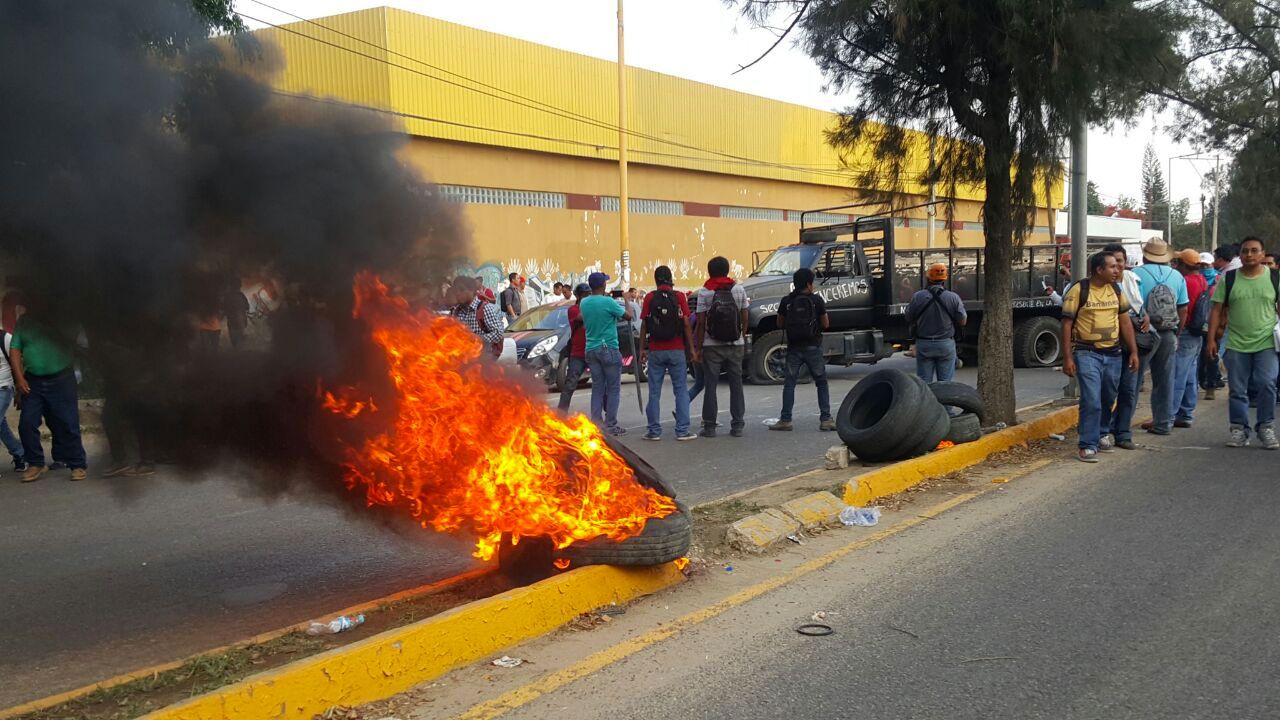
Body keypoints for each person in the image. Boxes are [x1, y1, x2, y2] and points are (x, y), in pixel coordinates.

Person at [1061, 252, 1139, 463]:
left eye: (1117, 266)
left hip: (1113, 354)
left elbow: (1124, 322)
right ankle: (1087, 445)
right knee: (1092, 399)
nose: (1117, 270)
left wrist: (1133, 351)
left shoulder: (1115, 290)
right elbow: (1066, 324)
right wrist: (1067, 358)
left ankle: (1102, 433)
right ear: (1099, 270)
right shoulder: (1079, 290)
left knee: (1107, 398)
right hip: (1087, 353)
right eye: (1112, 267)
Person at [1206, 236, 1279, 449]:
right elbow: (1217, 310)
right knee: (1237, 389)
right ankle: (1238, 429)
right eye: (1245, 251)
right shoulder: (1229, 279)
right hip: (1236, 343)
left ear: (1263, 254)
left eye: (1254, 251)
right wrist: (1211, 339)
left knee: (1267, 383)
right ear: (1240, 255)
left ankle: (1265, 427)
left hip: (1266, 342)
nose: (1249, 255)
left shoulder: (1275, 278)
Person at [10, 306, 87, 481]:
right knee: (27, 424)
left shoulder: (64, 318)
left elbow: (77, 338)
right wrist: (20, 379)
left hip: (62, 379)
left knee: (68, 423)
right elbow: (15, 350)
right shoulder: (24, 322)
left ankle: (78, 464)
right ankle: (36, 463)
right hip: (32, 381)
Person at [1132, 239, 1189, 435]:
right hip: (1168, 333)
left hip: (1142, 334)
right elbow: (1183, 308)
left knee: (1134, 380)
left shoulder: (1135, 274)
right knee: (1164, 380)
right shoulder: (1177, 276)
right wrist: (1176, 332)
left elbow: (1132, 306)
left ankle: (1122, 425)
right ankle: (1163, 423)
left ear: (1145, 255)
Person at [770, 268, 835, 432]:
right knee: (821, 382)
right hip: (813, 346)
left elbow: (779, 323)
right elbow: (826, 323)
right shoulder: (816, 300)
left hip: (794, 348)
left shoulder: (787, 301)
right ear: (808, 283)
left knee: (789, 384)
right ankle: (826, 419)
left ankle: (786, 420)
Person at [639, 266, 697, 441]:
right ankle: (682, 430)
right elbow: (686, 323)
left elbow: (644, 325)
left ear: (656, 280)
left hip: (656, 351)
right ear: (670, 279)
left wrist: (642, 348)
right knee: (680, 390)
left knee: (654, 391)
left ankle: (654, 431)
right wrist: (692, 348)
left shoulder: (650, 298)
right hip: (676, 349)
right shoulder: (679, 297)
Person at [695, 256, 749, 438]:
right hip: (736, 344)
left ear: (710, 271)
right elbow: (744, 314)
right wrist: (741, 334)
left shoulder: (705, 292)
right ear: (727, 270)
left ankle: (709, 426)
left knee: (711, 385)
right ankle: (738, 425)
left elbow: (701, 322)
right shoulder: (739, 289)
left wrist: (698, 347)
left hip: (712, 346)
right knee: (736, 384)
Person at [1100, 243, 1146, 451]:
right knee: (1107, 392)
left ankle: (1123, 433)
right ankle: (1102, 432)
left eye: (1119, 261)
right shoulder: (1097, 287)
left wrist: (1146, 316)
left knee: (1129, 391)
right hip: (1108, 347)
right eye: (1112, 263)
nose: (1116, 267)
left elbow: (1137, 307)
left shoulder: (1132, 279)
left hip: (1130, 344)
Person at [581, 272, 631, 435]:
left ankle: (596, 423)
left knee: (597, 387)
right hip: (608, 348)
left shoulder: (584, 302)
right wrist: (627, 300)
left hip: (591, 348)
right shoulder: (608, 302)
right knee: (613, 388)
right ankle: (611, 425)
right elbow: (629, 316)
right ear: (603, 285)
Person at [905, 263, 966, 383]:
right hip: (945, 344)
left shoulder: (918, 297)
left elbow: (909, 317)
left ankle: (927, 401)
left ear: (928, 278)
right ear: (945, 279)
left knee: (924, 383)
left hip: (924, 344)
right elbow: (963, 321)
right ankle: (944, 402)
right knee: (945, 384)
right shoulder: (953, 298)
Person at [1171, 249, 1209, 428]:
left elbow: (1183, 309)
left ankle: (1169, 415)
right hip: (1197, 332)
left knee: (1177, 375)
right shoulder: (1202, 280)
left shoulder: (1185, 281)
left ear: (1183, 265)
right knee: (1190, 375)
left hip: (1185, 331)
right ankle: (1186, 413)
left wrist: (1177, 332)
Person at [557, 283, 591, 412]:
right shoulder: (573, 309)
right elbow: (581, 317)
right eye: (585, 295)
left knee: (601, 385)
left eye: (590, 295)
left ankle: (605, 417)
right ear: (578, 296)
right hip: (578, 353)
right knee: (570, 384)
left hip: (593, 350)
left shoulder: (591, 306)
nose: (588, 297)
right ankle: (561, 414)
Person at [449, 276, 504, 354]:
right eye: (455, 291)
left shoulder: (484, 308)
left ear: (473, 291)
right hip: (462, 358)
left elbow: (498, 333)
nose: (458, 293)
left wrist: (477, 339)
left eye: (462, 290)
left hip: (483, 360)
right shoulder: (455, 311)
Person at [1198, 251, 1226, 398]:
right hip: (1197, 325)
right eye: (1201, 265)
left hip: (1213, 325)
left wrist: (1221, 325)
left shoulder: (1220, 279)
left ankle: (1211, 386)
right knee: (1199, 357)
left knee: (1212, 355)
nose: (1203, 268)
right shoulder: (1195, 279)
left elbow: (1224, 306)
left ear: (1212, 264)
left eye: (1206, 265)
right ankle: (1201, 381)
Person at [0, 328, 27, 474]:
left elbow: (18, 361)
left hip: (3, 388)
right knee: (1, 426)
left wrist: (20, 386)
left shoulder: (5, 338)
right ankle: (20, 453)